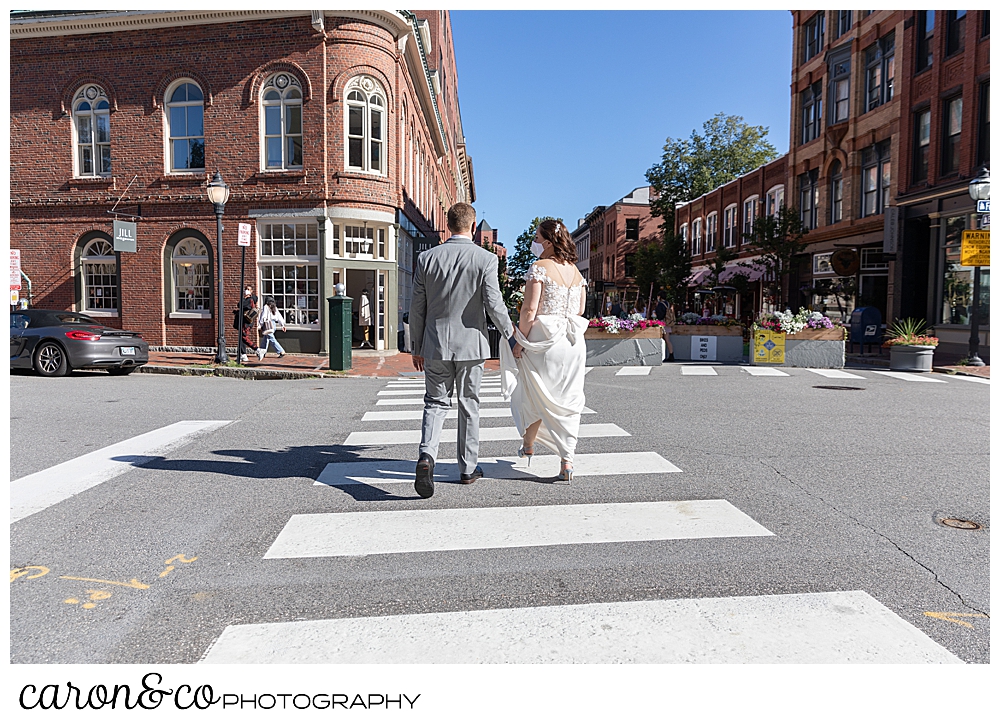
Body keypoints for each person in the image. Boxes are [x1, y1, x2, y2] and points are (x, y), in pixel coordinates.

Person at [409, 202, 514, 499]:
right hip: (471, 345)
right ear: (473, 224)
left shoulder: (427, 258)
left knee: (435, 403)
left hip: (435, 343)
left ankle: (427, 456)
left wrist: (416, 346)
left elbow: (418, 308)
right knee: (470, 405)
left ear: (448, 222)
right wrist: (511, 335)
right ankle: (467, 468)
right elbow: (494, 304)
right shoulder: (485, 259)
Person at [500, 219, 588, 482]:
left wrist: (520, 341)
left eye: (537, 238)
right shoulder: (576, 272)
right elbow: (581, 310)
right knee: (568, 397)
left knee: (533, 392)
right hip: (572, 341)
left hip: (544, 340)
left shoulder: (539, 268)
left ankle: (528, 444)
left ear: (548, 241)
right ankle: (567, 461)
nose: (534, 243)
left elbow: (529, 310)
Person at [257, 296, 287, 360]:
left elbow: (263, 316)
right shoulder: (274, 307)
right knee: (266, 338)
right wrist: (282, 325)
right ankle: (262, 351)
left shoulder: (266, 307)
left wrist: (261, 324)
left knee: (271, 338)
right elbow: (279, 316)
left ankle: (281, 351)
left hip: (268, 324)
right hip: (273, 324)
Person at [235, 285, 259, 363]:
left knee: (244, 337)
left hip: (247, 322)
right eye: (245, 289)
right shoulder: (247, 299)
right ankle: (243, 354)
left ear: (251, 291)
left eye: (248, 289)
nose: (246, 291)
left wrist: (244, 298)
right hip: (243, 321)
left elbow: (240, 305)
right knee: (241, 338)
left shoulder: (250, 299)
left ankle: (257, 349)